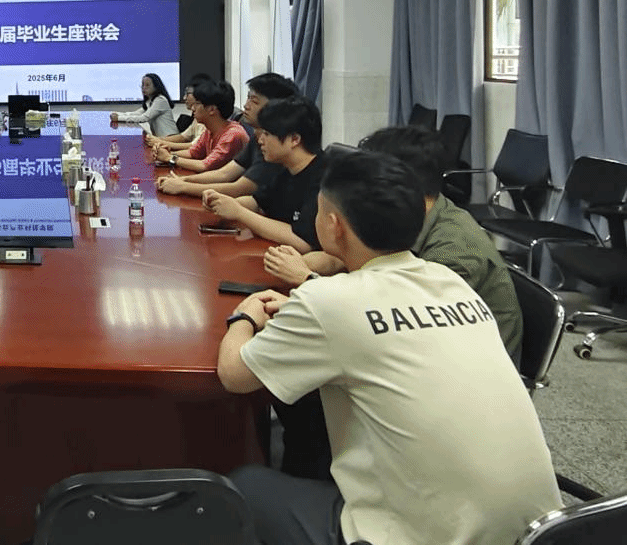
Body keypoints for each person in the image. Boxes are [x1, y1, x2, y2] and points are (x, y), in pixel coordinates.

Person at [221, 151, 560, 545]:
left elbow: (234, 375)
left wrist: (244, 317)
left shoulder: (328, 301)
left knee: (243, 487)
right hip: (541, 532)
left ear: (333, 225)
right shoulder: (448, 281)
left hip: (431, 538)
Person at [263, 125, 523, 362]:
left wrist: (310, 284)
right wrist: (327, 262)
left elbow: (400, 322)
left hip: (461, 364)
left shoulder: (453, 249)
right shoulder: (403, 216)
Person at [204, 96, 326, 252]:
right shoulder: (285, 167)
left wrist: (239, 212)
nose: (260, 140)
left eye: (267, 134)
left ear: (294, 139)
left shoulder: (324, 179)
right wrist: (221, 202)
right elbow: (258, 202)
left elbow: (303, 241)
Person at [157, 73, 299, 198]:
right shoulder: (258, 138)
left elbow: (238, 188)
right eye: (248, 98)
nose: (246, 105)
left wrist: (183, 185)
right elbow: (224, 173)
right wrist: (182, 180)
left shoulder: (273, 145)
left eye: (254, 101)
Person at [152, 78, 248, 174]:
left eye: (197, 104)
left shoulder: (232, 135)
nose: (193, 108)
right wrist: (166, 153)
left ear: (212, 109)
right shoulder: (210, 130)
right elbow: (193, 153)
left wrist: (170, 157)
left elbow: (205, 165)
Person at [145, 74, 212, 152]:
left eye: (187, 94)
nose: (184, 98)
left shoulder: (207, 119)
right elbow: (183, 137)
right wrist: (158, 140)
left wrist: (160, 143)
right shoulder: (197, 117)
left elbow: (194, 146)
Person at [110, 72, 177, 136]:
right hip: (160, 138)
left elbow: (144, 118)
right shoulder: (150, 101)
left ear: (156, 87)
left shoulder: (160, 100)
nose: (144, 88)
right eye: (143, 85)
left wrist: (119, 118)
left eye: (147, 85)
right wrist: (118, 114)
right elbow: (136, 113)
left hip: (170, 138)